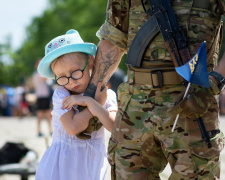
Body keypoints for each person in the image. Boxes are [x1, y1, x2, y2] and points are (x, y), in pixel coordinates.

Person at [84, 0, 225, 179]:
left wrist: (216, 80)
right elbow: (113, 38)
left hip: (191, 100)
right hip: (134, 107)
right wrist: (90, 95)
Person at [35, 29, 118, 180]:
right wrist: (96, 104)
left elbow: (114, 127)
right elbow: (73, 128)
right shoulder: (62, 94)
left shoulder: (105, 93)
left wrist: (90, 102)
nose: (71, 81)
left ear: (91, 63)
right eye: (61, 77)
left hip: (92, 161)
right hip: (63, 163)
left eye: (75, 72)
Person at [32, 59, 53, 137]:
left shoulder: (38, 74)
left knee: (47, 114)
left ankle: (49, 130)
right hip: (42, 96)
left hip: (44, 96)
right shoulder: (37, 74)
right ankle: (39, 131)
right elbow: (46, 78)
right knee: (41, 114)